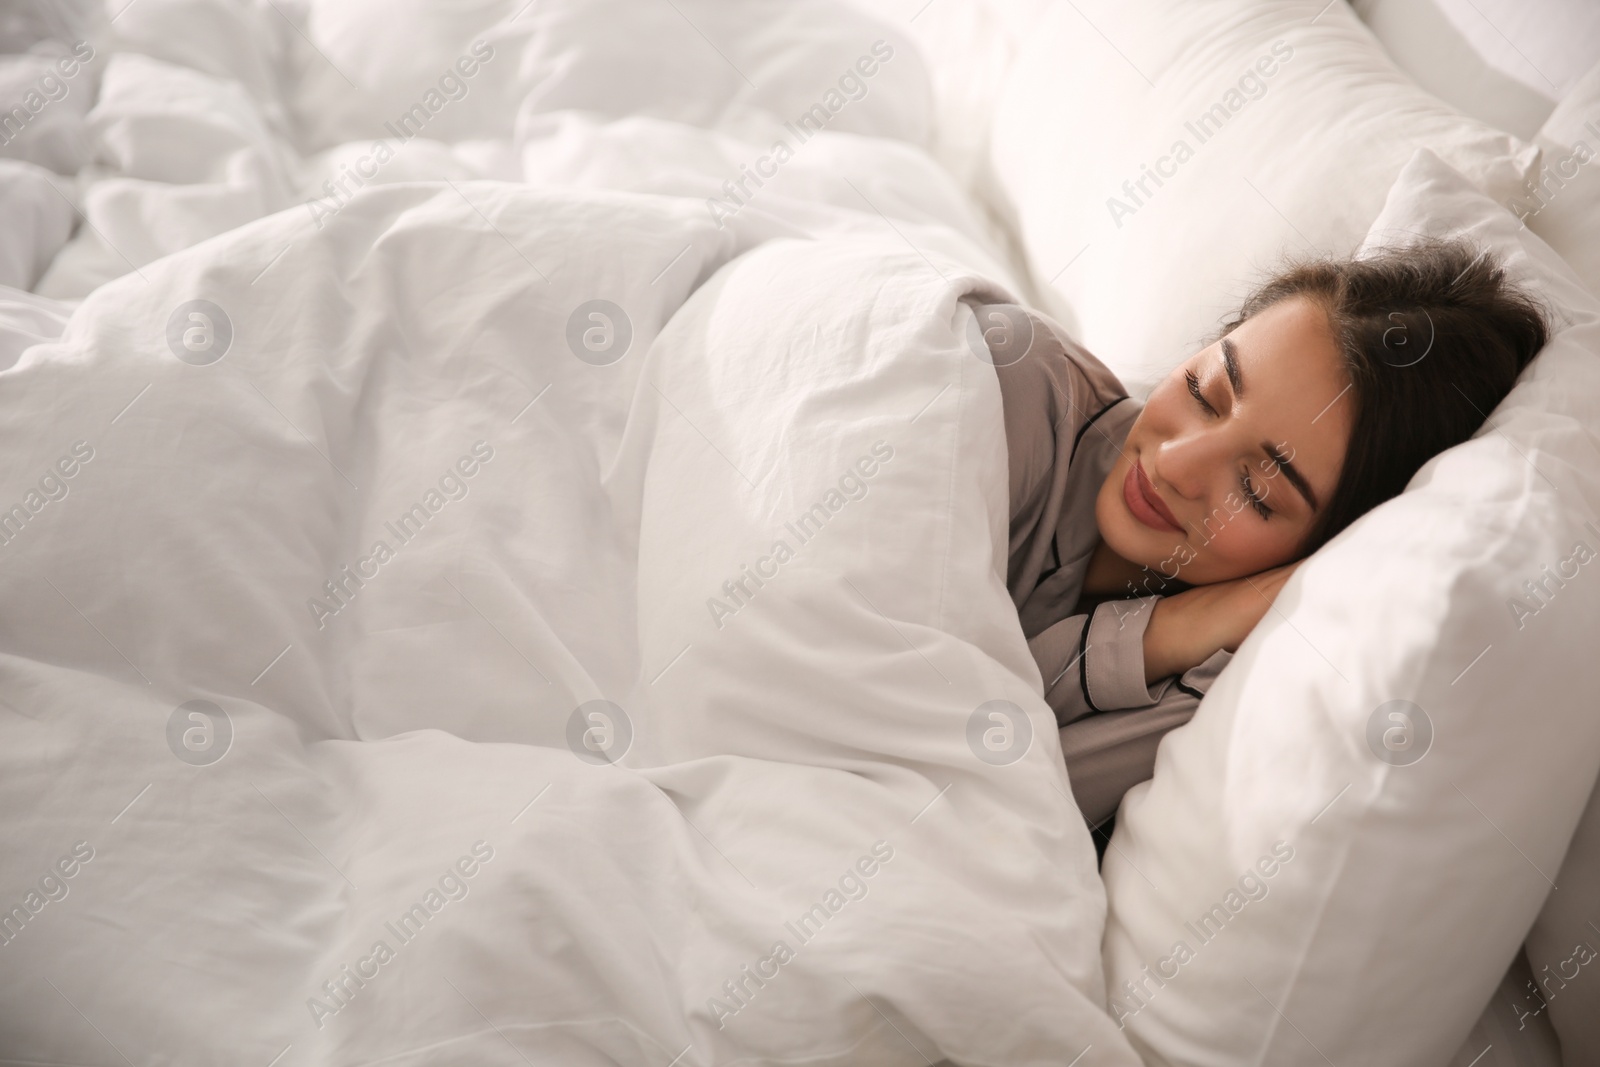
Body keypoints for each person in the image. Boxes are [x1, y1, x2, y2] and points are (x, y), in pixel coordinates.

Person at [986, 236, 1549, 836]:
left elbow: (992, 798)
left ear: (1324, 549)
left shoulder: (1229, 691)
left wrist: (1159, 640)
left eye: (1256, 490)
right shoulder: (1012, 385)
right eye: (1206, 393)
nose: (1176, 464)